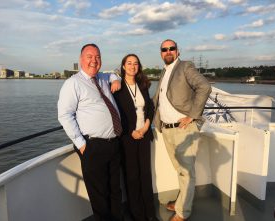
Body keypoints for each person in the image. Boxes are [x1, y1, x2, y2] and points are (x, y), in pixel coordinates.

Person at [58, 43, 123, 221]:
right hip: (93, 146)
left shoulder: (103, 77)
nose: (94, 61)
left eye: (97, 57)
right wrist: (82, 144)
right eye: (89, 56)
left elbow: (113, 74)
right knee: (99, 194)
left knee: (115, 190)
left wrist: (116, 79)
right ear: (81, 60)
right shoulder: (73, 83)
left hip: (114, 143)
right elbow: (64, 115)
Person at [153, 39, 212, 221]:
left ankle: (182, 213)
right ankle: (181, 203)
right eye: (164, 49)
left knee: (186, 172)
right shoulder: (164, 71)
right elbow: (159, 99)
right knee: (180, 170)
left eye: (172, 48)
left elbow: (205, 87)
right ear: (161, 53)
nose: (168, 51)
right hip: (168, 130)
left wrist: (193, 115)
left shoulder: (185, 66)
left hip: (183, 129)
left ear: (178, 51)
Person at [113, 54, 158, 221]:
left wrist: (147, 125)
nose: (132, 66)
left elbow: (151, 107)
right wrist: (131, 130)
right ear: (123, 66)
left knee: (145, 175)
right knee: (131, 178)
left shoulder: (143, 85)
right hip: (127, 138)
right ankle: (137, 215)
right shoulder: (117, 87)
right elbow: (117, 114)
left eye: (136, 63)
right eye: (129, 63)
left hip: (144, 135)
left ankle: (150, 215)